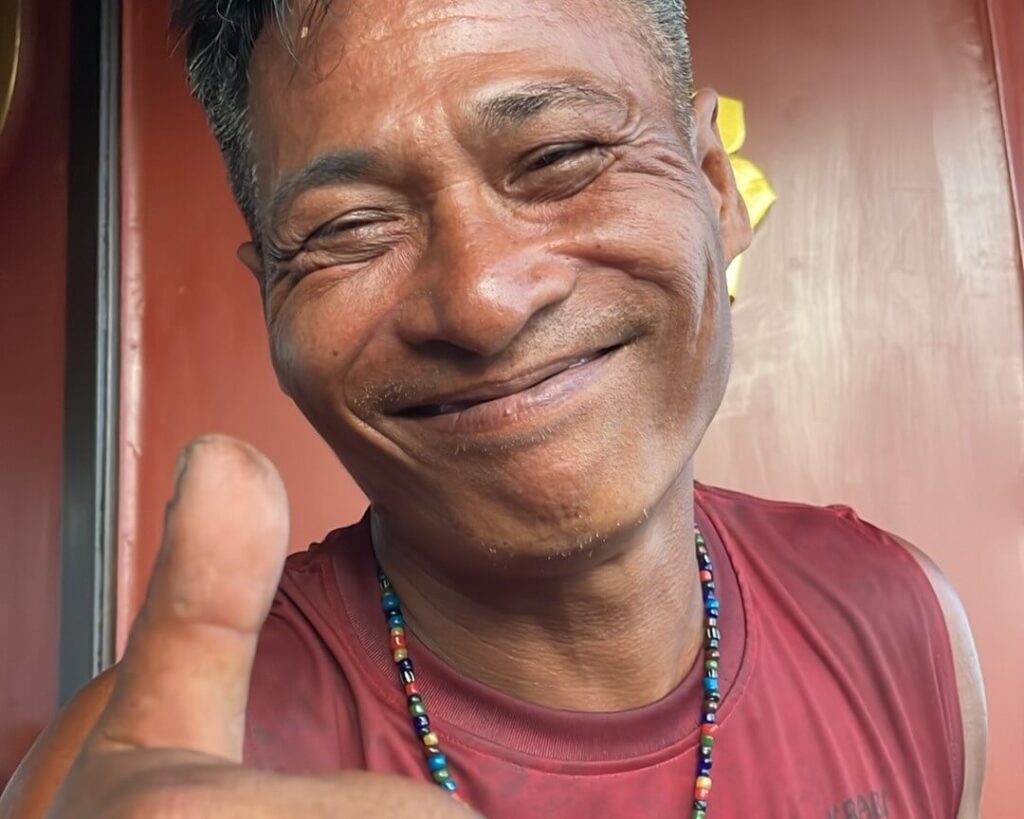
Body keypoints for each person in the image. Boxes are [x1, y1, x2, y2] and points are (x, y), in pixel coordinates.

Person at [0, 0, 987, 816]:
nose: (480, 299)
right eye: (348, 227)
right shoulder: (147, 775)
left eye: (560, 156)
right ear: (268, 288)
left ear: (714, 183)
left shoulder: (900, 620)